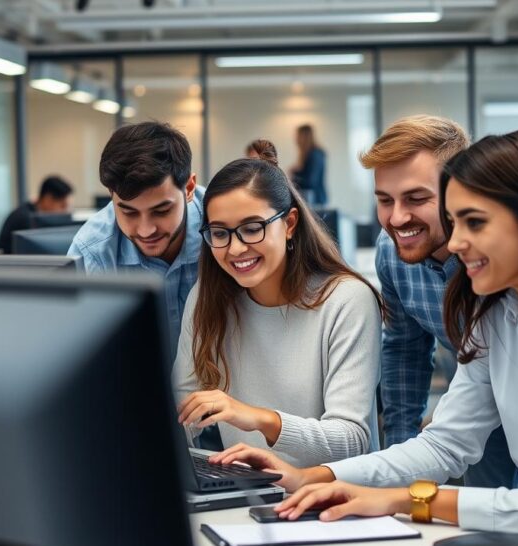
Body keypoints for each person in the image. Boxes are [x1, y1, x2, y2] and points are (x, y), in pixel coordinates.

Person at [210, 130, 518, 546]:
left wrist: (419, 501)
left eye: (474, 223)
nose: (454, 244)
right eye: (456, 222)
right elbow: (444, 445)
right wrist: (313, 476)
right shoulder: (497, 312)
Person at [173, 139, 382, 467]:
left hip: (329, 502)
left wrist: (257, 418)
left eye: (252, 229)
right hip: (245, 495)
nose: (236, 248)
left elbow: (351, 440)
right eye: (220, 233)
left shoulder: (346, 299)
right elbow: (181, 409)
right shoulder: (207, 297)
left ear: (290, 224)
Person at [361, 115, 517, 490]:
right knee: (490, 524)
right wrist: (400, 458)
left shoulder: (511, 252)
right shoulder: (392, 253)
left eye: (416, 198)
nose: (397, 217)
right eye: (384, 200)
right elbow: (404, 349)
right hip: (475, 407)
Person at [68, 121, 202, 357]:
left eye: (161, 211)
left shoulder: (224, 228)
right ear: (112, 196)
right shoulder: (93, 253)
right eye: (129, 212)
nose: (146, 230)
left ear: (189, 188)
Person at [0, 175, 73, 253]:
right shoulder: (25, 218)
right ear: (48, 199)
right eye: (62, 206)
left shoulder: (36, 214)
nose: (65, 212)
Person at [290, 124, 328, 207]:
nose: (295, 139)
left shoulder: (315, 154)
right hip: (312, 200)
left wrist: (295, 176)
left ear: (304, 136)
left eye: (297, 136)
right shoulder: (310, 154)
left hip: (316, 201)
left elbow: (311, 181)